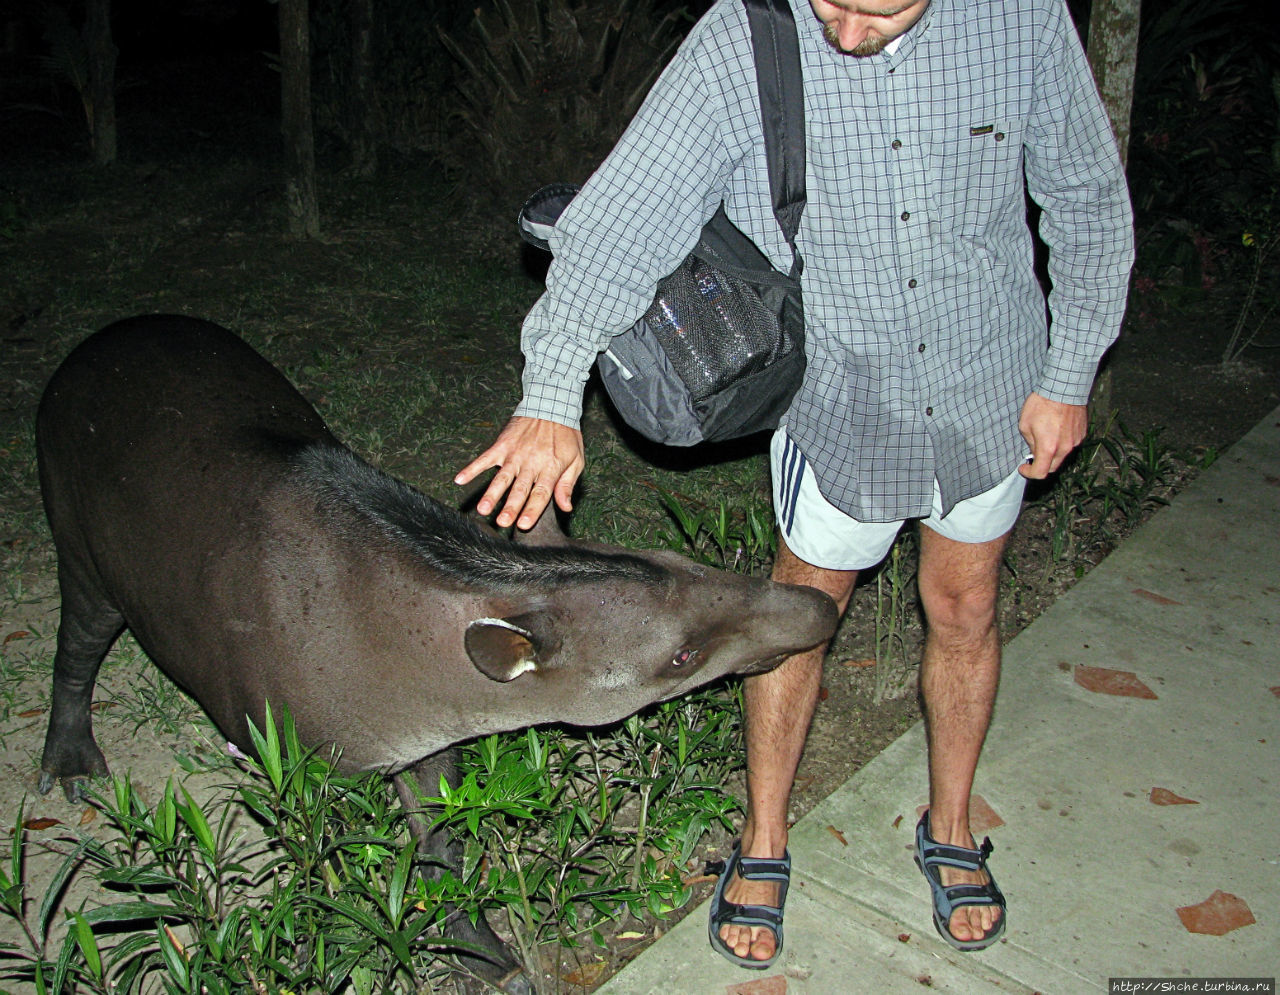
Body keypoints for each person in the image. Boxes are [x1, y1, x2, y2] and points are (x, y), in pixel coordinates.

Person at [457, 0, 1133, 968]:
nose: (846, 33)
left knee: (965, 604)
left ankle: (948, 825)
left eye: (878, 10)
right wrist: (552, 387)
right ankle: (763, 838)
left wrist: (1067, 374)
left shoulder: (1020, 18)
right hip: (840, 402)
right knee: (796, 614)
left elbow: (1085, 200)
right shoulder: (748, 34)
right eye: (832, 2)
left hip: (989, 390)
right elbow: (624, 213)